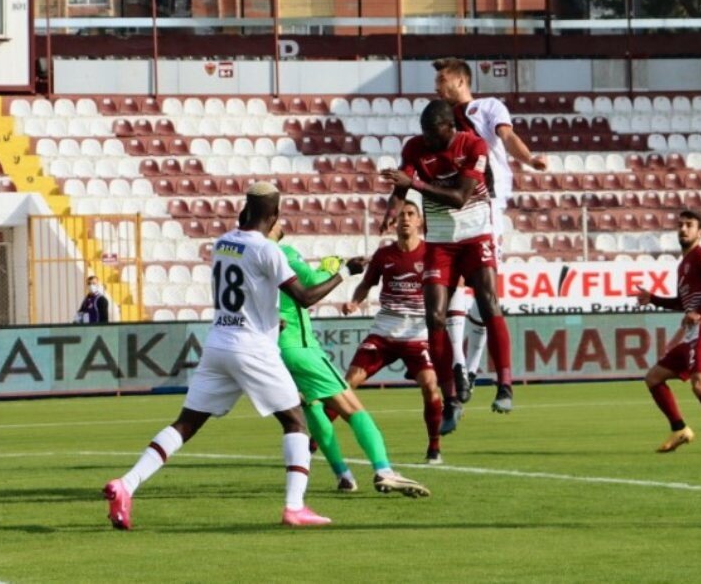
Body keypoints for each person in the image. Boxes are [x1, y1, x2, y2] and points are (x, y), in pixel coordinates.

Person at [102, 182, 347, 529]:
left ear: (246, 209)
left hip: (219, 343)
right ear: (275, 215)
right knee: (295, 421)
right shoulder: (268, 251)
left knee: (186, 424)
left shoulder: (223, 243)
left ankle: (126, 484)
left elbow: (249, 286)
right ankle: (295, 507)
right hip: (252, 348)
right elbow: (305, 297)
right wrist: (343, 274)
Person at [379, 99, 514, 436]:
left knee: (488, 301)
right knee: (434, 317)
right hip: (440, 240)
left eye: (432, 132)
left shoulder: (473, 144)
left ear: (448, 128)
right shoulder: (415, 146)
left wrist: (416, 187)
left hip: (474, 233)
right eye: (423, 131)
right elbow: (404, 182)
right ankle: (451, 398)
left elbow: (460, 197)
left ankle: (505, 384)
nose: (425, 138)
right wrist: (393, 206)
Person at [271, 225, 430, 497]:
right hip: (299, 346)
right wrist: (333, 267)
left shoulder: (243, 255)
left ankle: (343, 474)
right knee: (353, 408)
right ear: (270, 219)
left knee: (312, 407)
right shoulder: (281, 251)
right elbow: (309, 282)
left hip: (270, 348)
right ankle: (384, 470)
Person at [432, 58, 548, 405]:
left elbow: (507, 136)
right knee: (449, 287)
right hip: (453, 205)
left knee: (485, 293)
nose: (436, 85)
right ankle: (458, 366)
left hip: (488, 205)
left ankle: (473, 365)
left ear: (461, 81)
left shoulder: (487, 107)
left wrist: (529, 159)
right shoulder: (439, 118)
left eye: (442, 79)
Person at [342, 202, 445, 464]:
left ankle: (434, 447)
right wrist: (355, 302)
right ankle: (313, 443)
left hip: (416, 334)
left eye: (411, 214)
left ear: (420, 222)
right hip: (384, 332)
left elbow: (451, 283)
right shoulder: (384, 255)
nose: (405, 219)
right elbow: (366, 284)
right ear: (394, 223)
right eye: (400, 215)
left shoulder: (432, 253)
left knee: (431, 387)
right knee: (347, 383)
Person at [633, 210, 701, 455]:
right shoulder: (684, 264)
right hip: (694, 333)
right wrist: (654, 299)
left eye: (689, 225)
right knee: (654, 377)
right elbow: (685, 303)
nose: (683, 229)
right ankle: (679, 429)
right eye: (680, 225)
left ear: (700, 232)